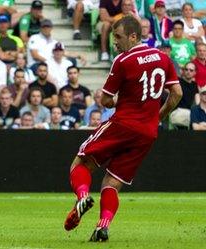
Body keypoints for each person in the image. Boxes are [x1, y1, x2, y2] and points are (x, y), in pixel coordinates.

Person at [64, 16, 182, 242]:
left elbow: (106, 101)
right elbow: (177, 93)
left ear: (134, 36)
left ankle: (82, 196)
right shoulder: (163, 58)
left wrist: (125, 99)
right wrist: (158, 115)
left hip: (123, 124)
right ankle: (102, 227)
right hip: (147, 133)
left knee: (80, 162)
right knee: (112, 183)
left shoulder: (123, 61)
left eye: (118, 37)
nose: (114, 42)